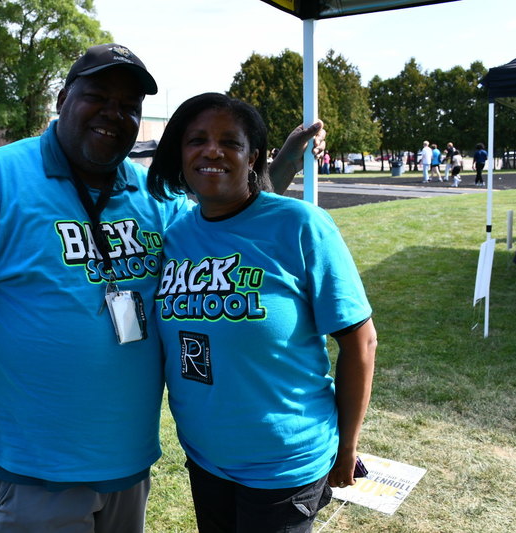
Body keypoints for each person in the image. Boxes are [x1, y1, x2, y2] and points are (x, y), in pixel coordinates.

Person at [0, 43, 326, 533]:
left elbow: (226, 222)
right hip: (33, 464)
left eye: (128, 105)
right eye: (97, 96)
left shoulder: (152, 195)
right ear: (63, 99)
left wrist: (280, 167)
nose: (113, 113)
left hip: (127, 458)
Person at [147, 93, 377, 533]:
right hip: (204, 458)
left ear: (252, 156)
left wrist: (347, 446)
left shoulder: (301, 225)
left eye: (229, 142)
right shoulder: (175, 235)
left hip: (283, 467)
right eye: (197, 140)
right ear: (180, 153)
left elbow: (361, 342)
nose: (211, 151)